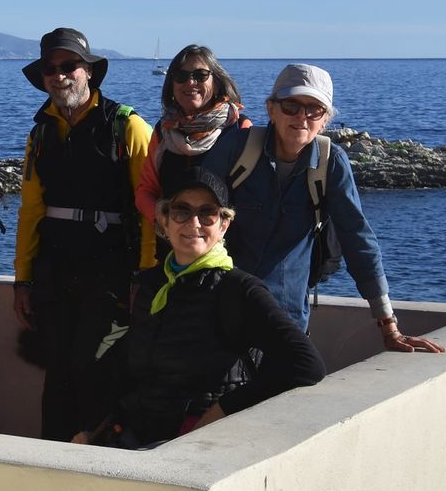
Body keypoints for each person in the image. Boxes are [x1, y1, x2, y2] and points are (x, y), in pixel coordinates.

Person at [76, 169, 325, 447]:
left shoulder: (239, 290)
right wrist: (91, 429)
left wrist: (221, 411)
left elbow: (306, 364)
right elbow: (124, 368)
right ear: (164, 220)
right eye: (181, 211)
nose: (194, 223)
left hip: (196, 446)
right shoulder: (150, 284)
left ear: (224, 225)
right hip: (136, 435)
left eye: (207, 213)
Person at [211, 63, 446, 353]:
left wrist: (388, 324)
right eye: (291, 106)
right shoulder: (236, 148)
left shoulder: (331, 162)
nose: (302, 117)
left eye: (314, 110)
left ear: (325, 121)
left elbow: (357, 238)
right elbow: (194, 220)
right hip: (221, 311)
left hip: (285, 319)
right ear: (271, 109)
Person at [13, 27, 155, 441]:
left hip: (111, 278)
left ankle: (95, 464)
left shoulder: (127, 126)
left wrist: (145, 277)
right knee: (57, 375)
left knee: (96, 373)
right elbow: (30, 210)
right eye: (50, 69)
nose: (59, 76)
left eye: (69, 66)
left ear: (89, 71)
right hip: (54, 277)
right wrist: (22, 279)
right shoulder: (40, 133)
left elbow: (151, 210)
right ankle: (50, 462)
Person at [134, 44, 252, 225]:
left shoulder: (239, 128)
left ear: (216, 83)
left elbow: (253, 196)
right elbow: (145, 191)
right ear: (172, 85)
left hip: (224, 239)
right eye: (181, 76)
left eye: (200, 75)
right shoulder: (164, 131)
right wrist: (164, 222)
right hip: (173, 239)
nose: (190, 83)